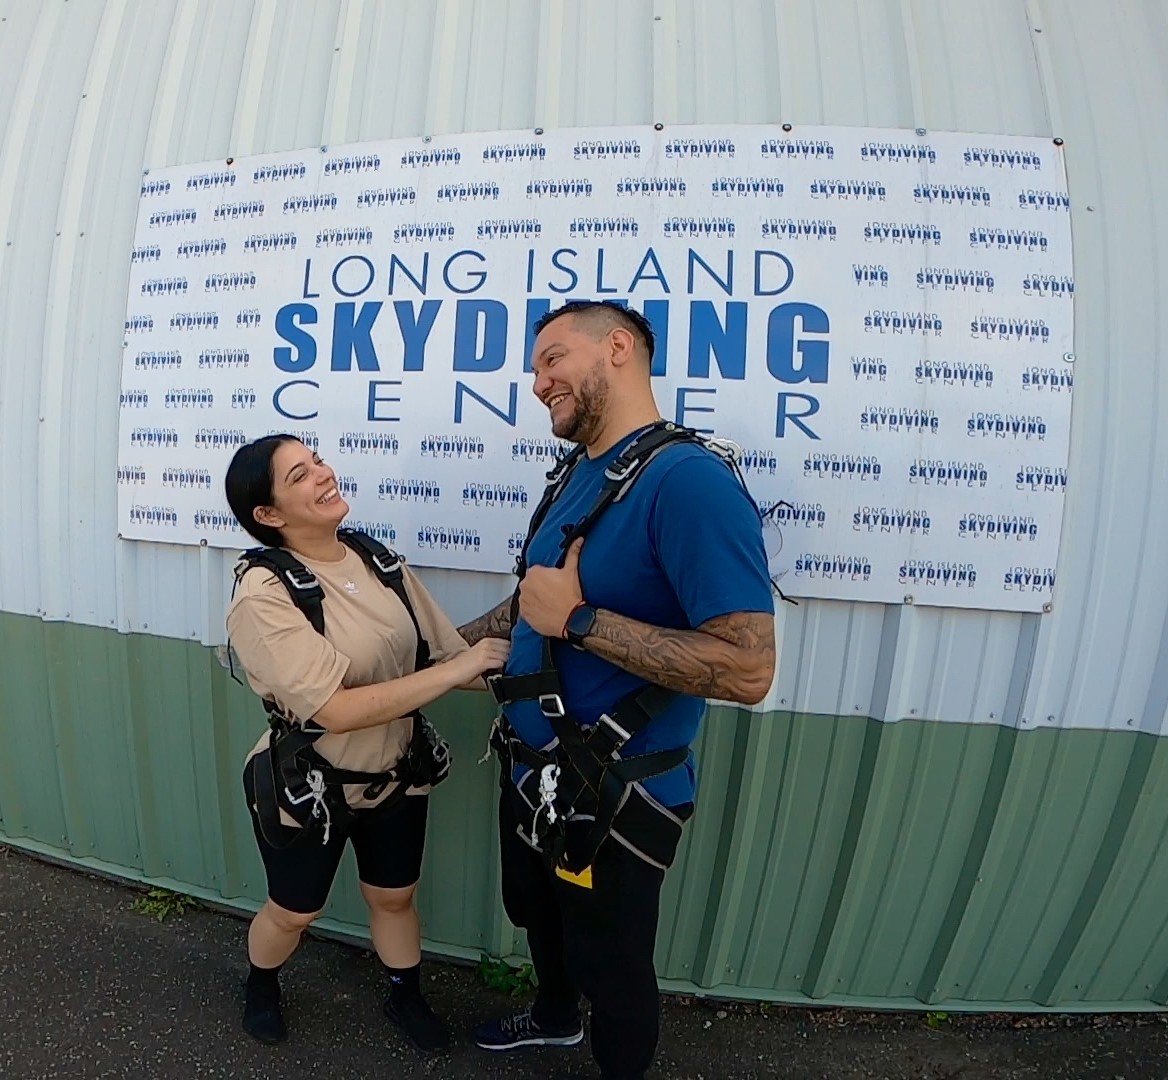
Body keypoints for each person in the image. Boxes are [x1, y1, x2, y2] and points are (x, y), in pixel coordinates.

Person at [460, 301, 777, 1080]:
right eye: (536, 368)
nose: (538, 383)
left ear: (620, 348)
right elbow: (534, 600)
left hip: (614, 795)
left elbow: (748, 669)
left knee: (616, 967)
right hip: (532, 773)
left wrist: (580, 620)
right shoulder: (581, 472)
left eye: (553, 359)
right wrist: (441, 652)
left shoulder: (688, 483)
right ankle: (555, 1017)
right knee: (537, 915)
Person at [224, 434, 509, 1051]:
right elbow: (333, 709)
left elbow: (445, 656)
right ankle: (261, 981)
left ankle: (405, 993)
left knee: (395, 895)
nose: (324, 475)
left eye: (317, 460)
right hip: (313, 787)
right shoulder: (264, 595)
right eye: (299, 475)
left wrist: (530, 626)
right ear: (268, 515)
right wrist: (457, 672)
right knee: (295, 912)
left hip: (397, 773)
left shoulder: (375, 561)